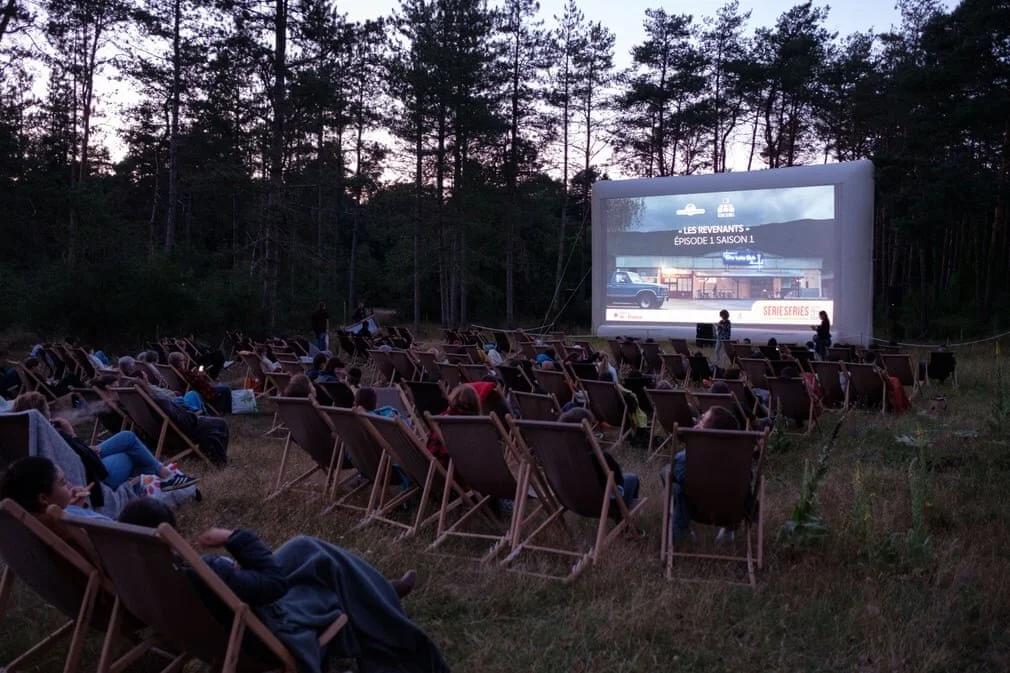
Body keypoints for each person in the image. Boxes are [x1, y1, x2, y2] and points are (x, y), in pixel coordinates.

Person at [116, 498, 447, 673]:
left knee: (305, 547)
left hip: (218, 620)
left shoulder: (138, 573)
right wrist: (235, 538)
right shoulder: (203, 571)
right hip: (258, 630)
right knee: (320, 562)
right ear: (168, 536)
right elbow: (274, 584)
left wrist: (232, 573)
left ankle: (378, 586)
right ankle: (378, 591)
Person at [11, 392, 198, 493]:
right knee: (129, 452)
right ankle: (165, 478)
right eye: (47, 411)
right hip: (91, 478)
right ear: (42, 414)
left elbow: (72, 455)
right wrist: (72, 434)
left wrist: (86, 448)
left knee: (127, 439)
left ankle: (159, 479)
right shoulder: (50, 435)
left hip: (85, 464)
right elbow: (74, 462)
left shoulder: (27, 439)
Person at [662, 406, 741, 542]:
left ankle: (681, 530)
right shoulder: (740, 462)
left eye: (702, 420)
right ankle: (729, 531)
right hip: (729, 512)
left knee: (667, 473)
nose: (696, 423)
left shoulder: (685, 459)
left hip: (697, 510)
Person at [558, 407, 639, 515]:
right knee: (632, 478)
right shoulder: (598, 458)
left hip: (572, 503)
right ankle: (624, 517)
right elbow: (619, 483)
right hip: (603, 505)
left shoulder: (558, 458)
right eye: (591, 427)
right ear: (586, 432)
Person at [167, 352, 232, 414]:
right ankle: (227, 410)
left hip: (187, 392)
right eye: (183, 360)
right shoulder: (184, 372)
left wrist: (195, 374)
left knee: (221, 386)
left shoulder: (171, 372)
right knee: (225, 388)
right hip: (199, 392)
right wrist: (201, 375)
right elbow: (199, 383)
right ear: (178, 362)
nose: (185, 362)